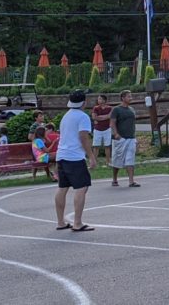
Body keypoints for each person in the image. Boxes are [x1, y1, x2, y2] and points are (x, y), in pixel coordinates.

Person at [55, 89, 97, 232]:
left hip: (62, 155)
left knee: (62, 188)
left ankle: (60, 222)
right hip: (74, 157)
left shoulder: (66, 116)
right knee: (81, 187)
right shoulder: (83, 117)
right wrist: (91, 156)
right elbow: (83, 137)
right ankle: (77, 223)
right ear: (84, 102)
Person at [110, 90, 139, 187]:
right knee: (117, 160)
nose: (130, 98)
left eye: (131, 96)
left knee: (130, 159)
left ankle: (131, 181)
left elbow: (133, 124)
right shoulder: (116, 109)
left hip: (130, 138)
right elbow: (112, 123)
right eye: (128, 96)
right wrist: (116, 134)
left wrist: (135, 136)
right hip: (120, 139)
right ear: (123, 98)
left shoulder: (131, 109)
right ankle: (114, 179)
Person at [91, 94, 113, 164]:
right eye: (98, 99)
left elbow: (110, 116)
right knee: (96, 146)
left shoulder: (110, 108)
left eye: (100, 99)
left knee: (107, 146)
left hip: (107, 129)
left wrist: (100, 117)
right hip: (97, 129)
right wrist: (105, 117)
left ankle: (108, 161)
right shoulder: (95, 108)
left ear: (104, 100)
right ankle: (94, 161)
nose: (98, 100)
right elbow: (94, 117)